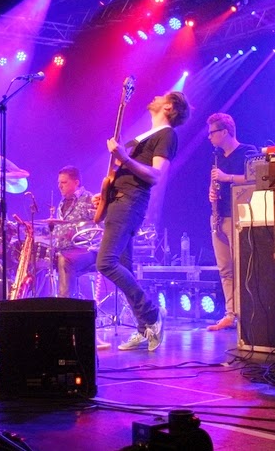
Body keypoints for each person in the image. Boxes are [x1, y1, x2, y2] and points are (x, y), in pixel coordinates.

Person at [94, 91, 190, 351]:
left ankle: (151, 313)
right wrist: (106, 194)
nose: (156, 96)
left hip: (129, 204)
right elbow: (126, 174)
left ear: (169, 107)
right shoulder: (146, 137)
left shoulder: (167, 135)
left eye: (162, 96)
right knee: (124, 265)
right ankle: (144, 328)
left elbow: (156, 175)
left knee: (106, 263)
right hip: (120, 201)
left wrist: (124, 158)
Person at [205, 113, 259, 331]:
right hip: (219, 217)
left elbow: (255, 179)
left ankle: (248, 314)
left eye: (212, 132)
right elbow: (214, 183)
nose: (209, 137)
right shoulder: (217, 157)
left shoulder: (248, 152)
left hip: (239, 217)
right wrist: (211, 192)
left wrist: (227, 177)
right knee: (225, 269)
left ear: (225, 132)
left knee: (242, 267)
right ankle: (230, 314)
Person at [52, 165, 97, 298]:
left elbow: (99, 229)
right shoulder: (62, 203)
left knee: (65, 259)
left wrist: (77, 235)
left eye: (64, 182)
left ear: (76, 183)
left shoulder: (90, 199)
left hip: (86, 250)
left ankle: (65, 303)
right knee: (40, 259)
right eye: (59, 183)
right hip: (64, 250)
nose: (60, 186)